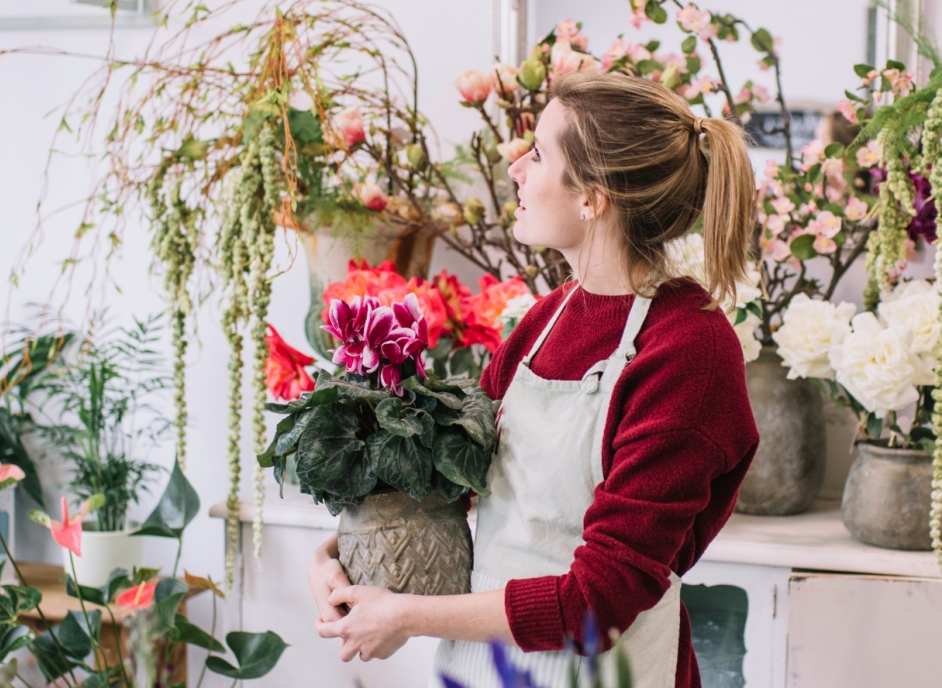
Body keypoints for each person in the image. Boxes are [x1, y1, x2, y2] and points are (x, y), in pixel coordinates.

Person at [308, 71, 760, 688]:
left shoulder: (687, 351)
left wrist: (407, 616)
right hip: (482, 670)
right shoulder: (548, 319)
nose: (517, 168)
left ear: (593, 196)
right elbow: (449, 488)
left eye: (540, 153)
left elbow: (599, 604)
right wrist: (336, 558)